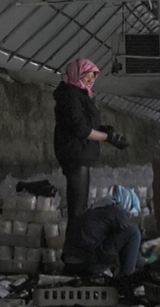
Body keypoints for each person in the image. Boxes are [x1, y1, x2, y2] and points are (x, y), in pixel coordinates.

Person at [54, 59, 128, 228]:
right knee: (78, 211)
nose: (90, 80)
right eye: (85, 75)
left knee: (80, 208)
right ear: (75, 75)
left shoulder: (81, 94)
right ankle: (73, 251)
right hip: (75, 154)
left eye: (92, 76)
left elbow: (87, 124)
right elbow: (80, 129)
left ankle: (75, 249)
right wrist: (108, 138)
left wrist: (106, 131)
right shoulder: (71, 95)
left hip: (81, 154)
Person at [62, 185, 148, 277]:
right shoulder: (117, 211)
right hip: (87, 262)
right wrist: (150, 260)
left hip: (70, 263)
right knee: (134, 233)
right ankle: (127, 278)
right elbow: (131, 245)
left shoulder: (95, 210)